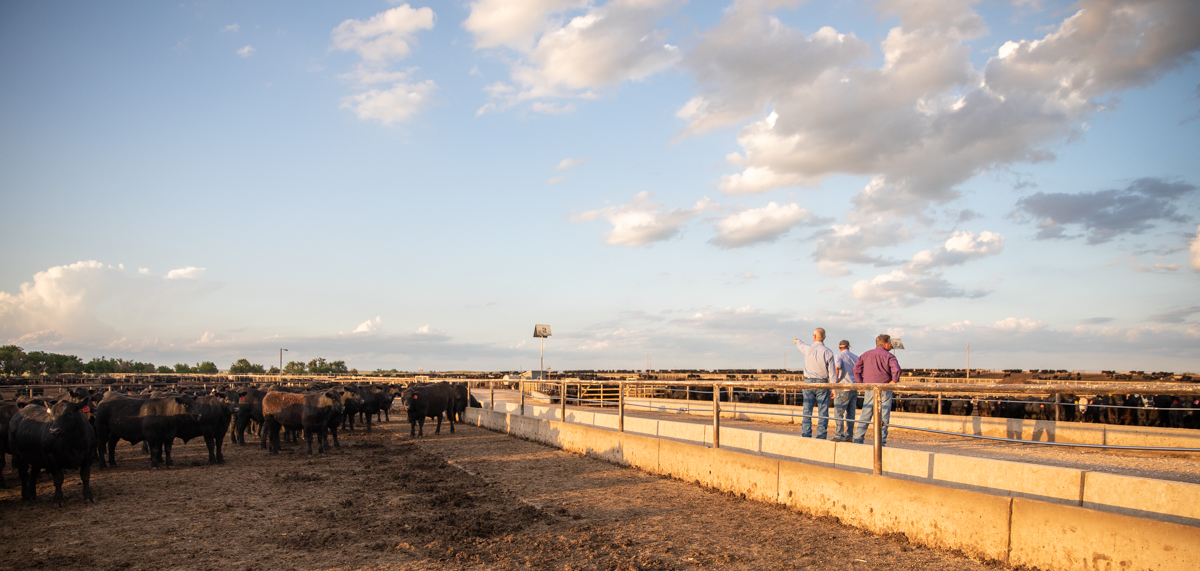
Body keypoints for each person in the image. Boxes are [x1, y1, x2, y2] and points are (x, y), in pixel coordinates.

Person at [853, 334, 901, 446]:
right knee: (883, 416)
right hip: (884, 388)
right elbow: (897, 370)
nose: (891, 345)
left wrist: (861, 384)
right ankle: (880, 442)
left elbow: (856, 370)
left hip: (870, 388)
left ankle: (858, 440)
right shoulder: (889, 356)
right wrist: (893, 382)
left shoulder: (866, 354)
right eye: (889, 343)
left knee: (866, 414)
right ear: (884, 344)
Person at [793, 328, 837, 439]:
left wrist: (797, 341)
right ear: (824, 337)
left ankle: (806, 434)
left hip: (808, 382)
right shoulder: (828, 352)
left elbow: (800, 344)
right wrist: (834, 388)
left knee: (807, 409)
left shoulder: (807, 349)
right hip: (823, 383)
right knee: (823, 411)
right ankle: (821, 436)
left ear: (814, 337)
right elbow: (832, 373)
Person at [831, 340, 859, 442]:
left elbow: (837, 367)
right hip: (854, 387)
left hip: (844, 386)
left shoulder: (839, 356)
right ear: (848, 347)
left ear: (839, 348)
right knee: (851, 413)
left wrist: (836, 380)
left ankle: (839, 435)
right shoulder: (856, 357)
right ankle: (849, 436)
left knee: (839, 411)